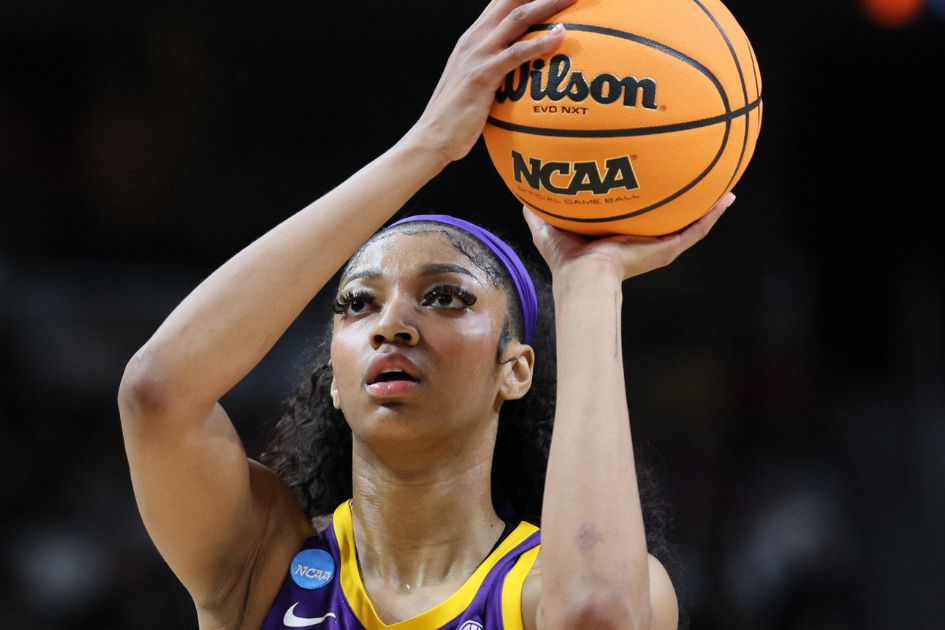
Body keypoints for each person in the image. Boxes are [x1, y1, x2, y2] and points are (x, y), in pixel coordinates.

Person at [117, 0, 735, 627]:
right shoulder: (263, 563)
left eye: (446, 297)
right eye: (358, 303)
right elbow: (157, 393)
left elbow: (599, 611)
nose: (392, 325)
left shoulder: (538, 593)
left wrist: (588, 282)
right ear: (332, 375)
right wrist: (427, 144)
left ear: (515, 369)